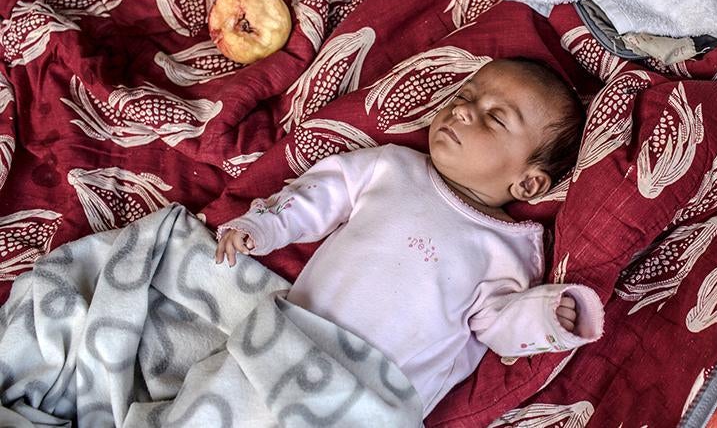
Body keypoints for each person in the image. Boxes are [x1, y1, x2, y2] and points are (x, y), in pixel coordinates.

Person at [214, 57, 605, 416]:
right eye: (464, 96)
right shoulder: (392, 166)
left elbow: (498, 324)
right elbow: (320, 194)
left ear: (528, 183)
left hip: (374, 398)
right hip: (294, 342)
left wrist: (545, 315)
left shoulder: (509, 248)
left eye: (496, 118)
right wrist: (262, 226)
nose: (463, 110)